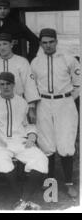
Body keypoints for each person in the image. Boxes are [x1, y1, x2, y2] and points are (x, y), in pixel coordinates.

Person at [0, 72, 48, 210]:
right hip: (0, 143)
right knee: (4, 162)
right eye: (2, 84)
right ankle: (23, 201)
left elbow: (29, 124)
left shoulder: (22, 102)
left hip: (20, 142)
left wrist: (32, 138)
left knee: (41, 159)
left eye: (8, 84)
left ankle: (23, 200)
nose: (5, 87)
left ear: (13, 85)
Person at [31, 28, 80, 198]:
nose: (48, 45)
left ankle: (69, 183)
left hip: (65, 103)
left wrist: (67, 99)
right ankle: (50, 183)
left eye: (51, 42)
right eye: (44, 42)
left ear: (56, 41)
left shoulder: (69, 59)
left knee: (66, 143)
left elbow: (78, 83)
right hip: (43, 102)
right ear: (40, 44)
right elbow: (32, 86)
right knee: (47, 144)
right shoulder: (36, 62)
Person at [0, 33, 40, 123]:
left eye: (5, 44)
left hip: (18, 102)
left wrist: (31, 107)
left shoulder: (22, 62)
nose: (2, 47)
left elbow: (29, 85)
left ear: (11, 44)